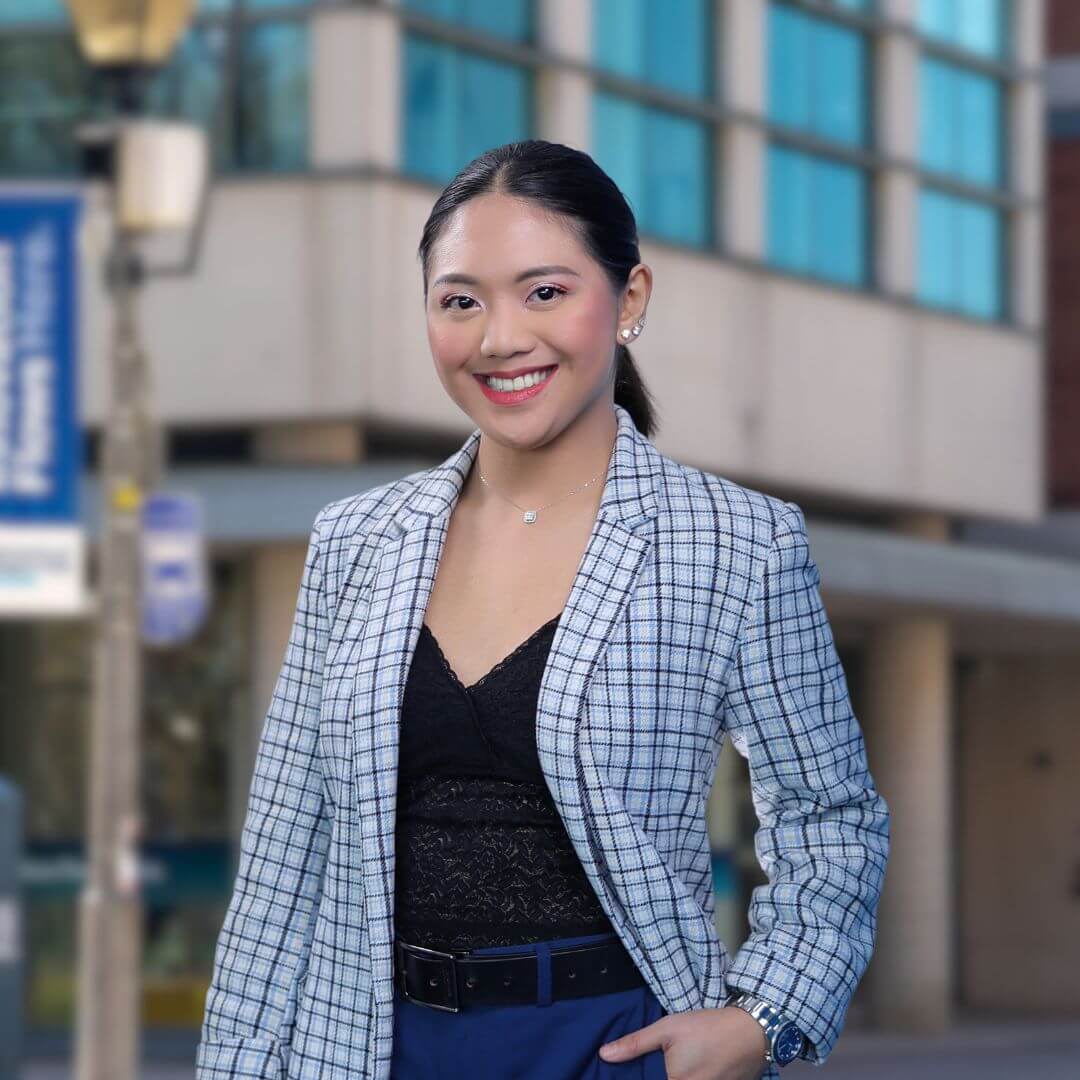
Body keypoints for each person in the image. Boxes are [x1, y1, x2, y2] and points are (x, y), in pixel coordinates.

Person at [197, 140, 890, 1080]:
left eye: (546, 292)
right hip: (367, 1045)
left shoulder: (737, 542)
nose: (499, 339)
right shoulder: (355, 540)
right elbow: (288, 844)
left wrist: (765, 1016)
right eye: (460, 300)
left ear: (630, 299)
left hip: (612, 1043)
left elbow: (829, 814)